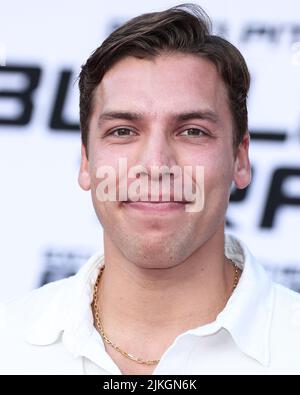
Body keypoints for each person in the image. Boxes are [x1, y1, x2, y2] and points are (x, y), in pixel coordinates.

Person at [1, 3, 300, 375]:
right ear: (86, 162)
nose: (157, 165)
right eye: (123, 131)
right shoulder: (8, 344)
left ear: (240, 159)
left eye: (193, 131)